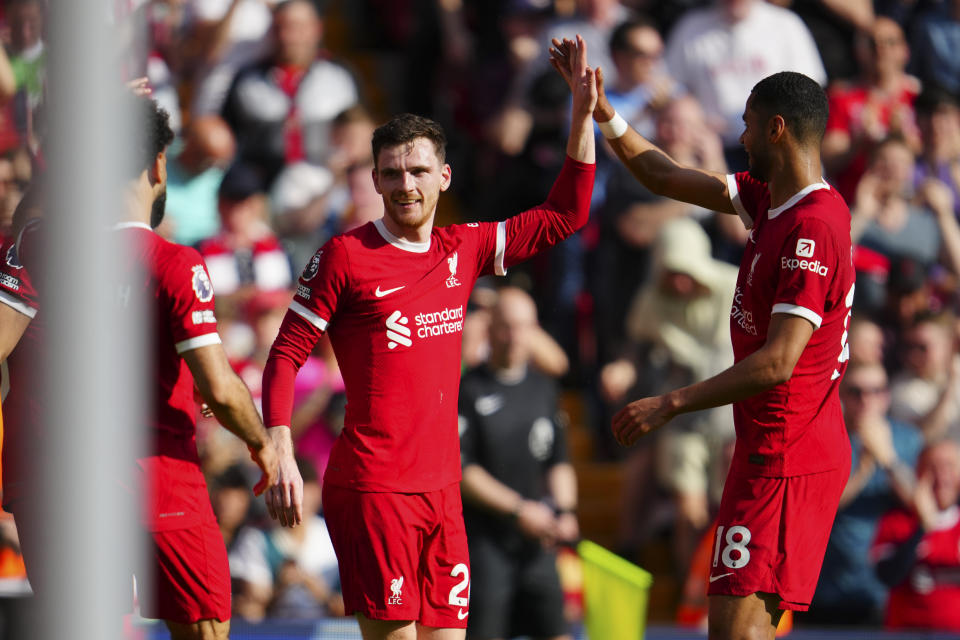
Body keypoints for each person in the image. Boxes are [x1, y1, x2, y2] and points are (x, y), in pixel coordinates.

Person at [261, 35, 597, 640]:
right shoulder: (346, 256)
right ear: (376, 179)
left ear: (444, 176)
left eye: (418, 171)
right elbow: (286, 353)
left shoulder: (462, 250)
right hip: (375, 489)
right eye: (392, 173)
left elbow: (565, 214)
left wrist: (582, 113)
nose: (405, 185)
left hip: (443, 492)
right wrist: (280, 445)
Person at [552, 38, 854, 638]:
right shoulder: (772, 200)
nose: (738, 139)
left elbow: (779, 364)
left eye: (745, 127)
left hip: (788, 461)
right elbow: (660, 172)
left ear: (776, 130)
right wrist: (602, 110)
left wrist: (670, 402)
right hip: (765, 449)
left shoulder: (811, 229)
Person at [0, 95, 280, 640]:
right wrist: (263, 444)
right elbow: (220, 390)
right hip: (154, 476)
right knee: (203, 628)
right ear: (158, 166)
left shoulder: (34, 245)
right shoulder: (174, 264)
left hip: (48, 477)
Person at [457, 287, 578, 640]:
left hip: (536, 544)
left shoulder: (543, 389)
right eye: (506, 326)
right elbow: (464, 470)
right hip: (485, 544)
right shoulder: (468, 389)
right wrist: (518, 510)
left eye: (523, 327)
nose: (514, 337)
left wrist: (566, 511)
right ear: (490, 329)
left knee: (557, 632)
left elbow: (559, 460)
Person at [807, 361, 922, 626]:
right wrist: (866, 467)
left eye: (876, 390)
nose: (867, 400)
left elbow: (924, 510)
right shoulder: (825, 436)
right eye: (857, 391)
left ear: (887, 395)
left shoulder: (909, 439)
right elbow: (819, 509)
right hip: (823, 587)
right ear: (843, 395)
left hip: (880, 590)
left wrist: (889, 460)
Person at [871, 438, 960, 631]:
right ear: (919, 472)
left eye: (949, 466)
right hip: (907, 631)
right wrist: (923, 527)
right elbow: (888, 576)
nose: (942, 476)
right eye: (933, 467)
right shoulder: (896, 522)